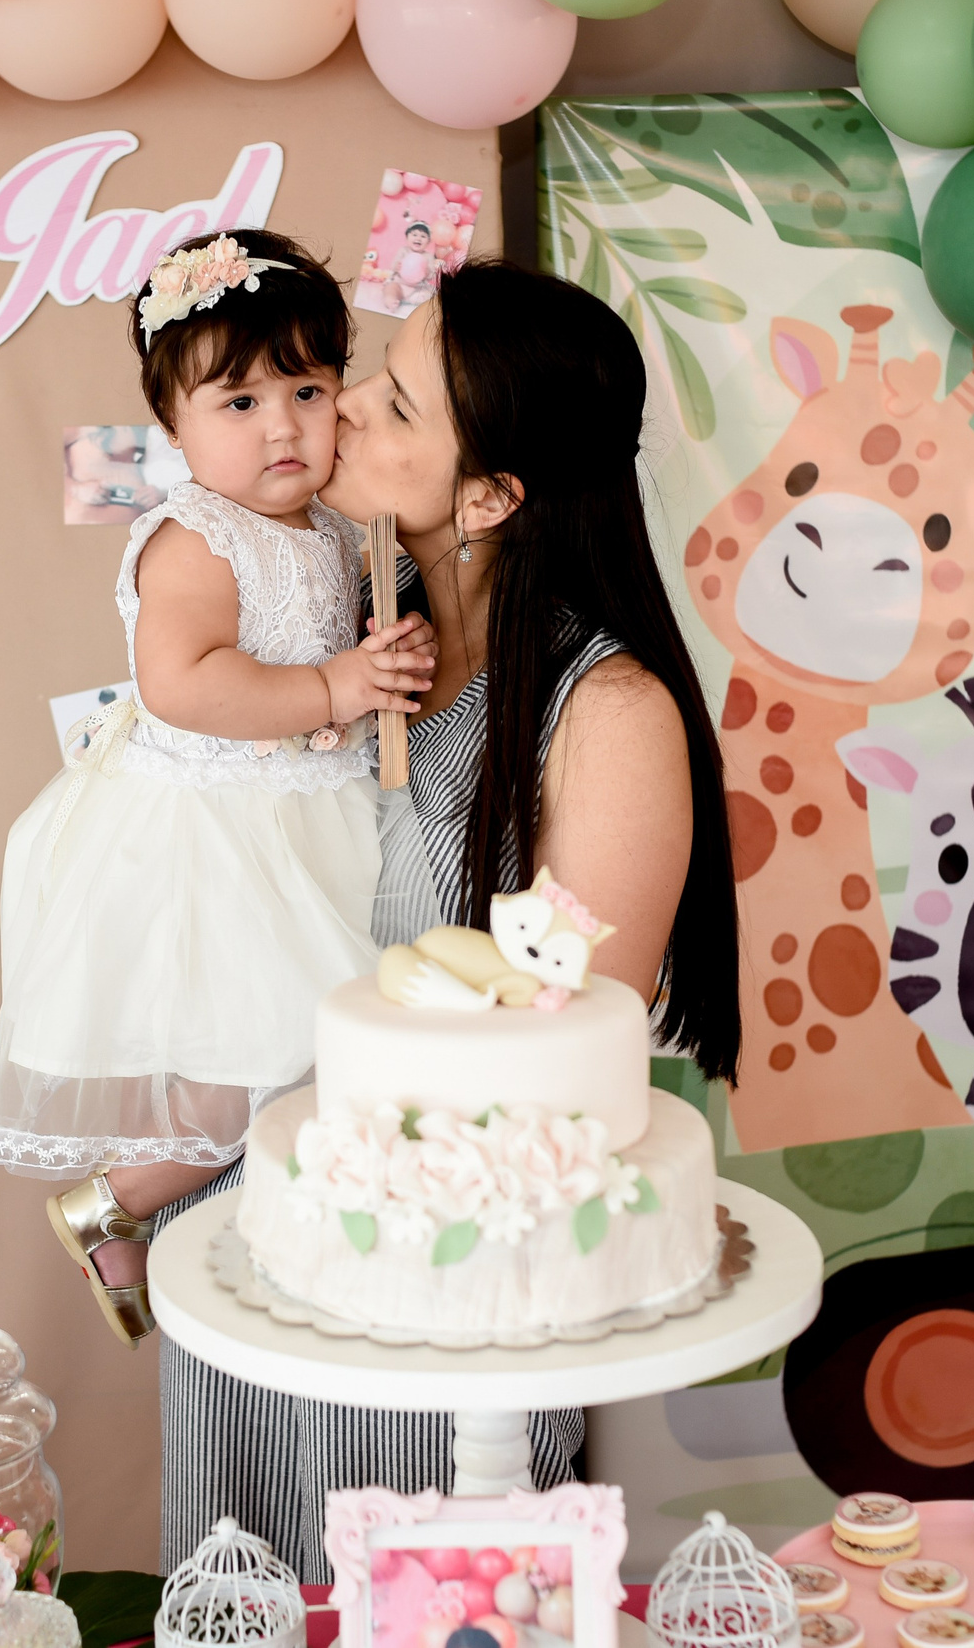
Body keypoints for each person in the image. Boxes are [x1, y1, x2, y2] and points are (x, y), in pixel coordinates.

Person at [158, 260, 743, 1578]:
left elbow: (555, 1069)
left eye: (396, 401)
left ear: (488, 494)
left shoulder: (604, 715)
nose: (342, 407)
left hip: (441, 1320)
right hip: (271, 1264)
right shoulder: (359, 653)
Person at [0, 231, 436, 1347]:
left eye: (308, 389)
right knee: (281, 1058)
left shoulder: (333, 524)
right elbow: (181, 683)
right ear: (173, 426)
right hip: (219, 837)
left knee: (321, 1058)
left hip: (312, 817)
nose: (282, 425)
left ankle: (257, 1239)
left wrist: (383, 659)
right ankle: (113, 1199)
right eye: (237, 401)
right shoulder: (194, 537)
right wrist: (332, 683)